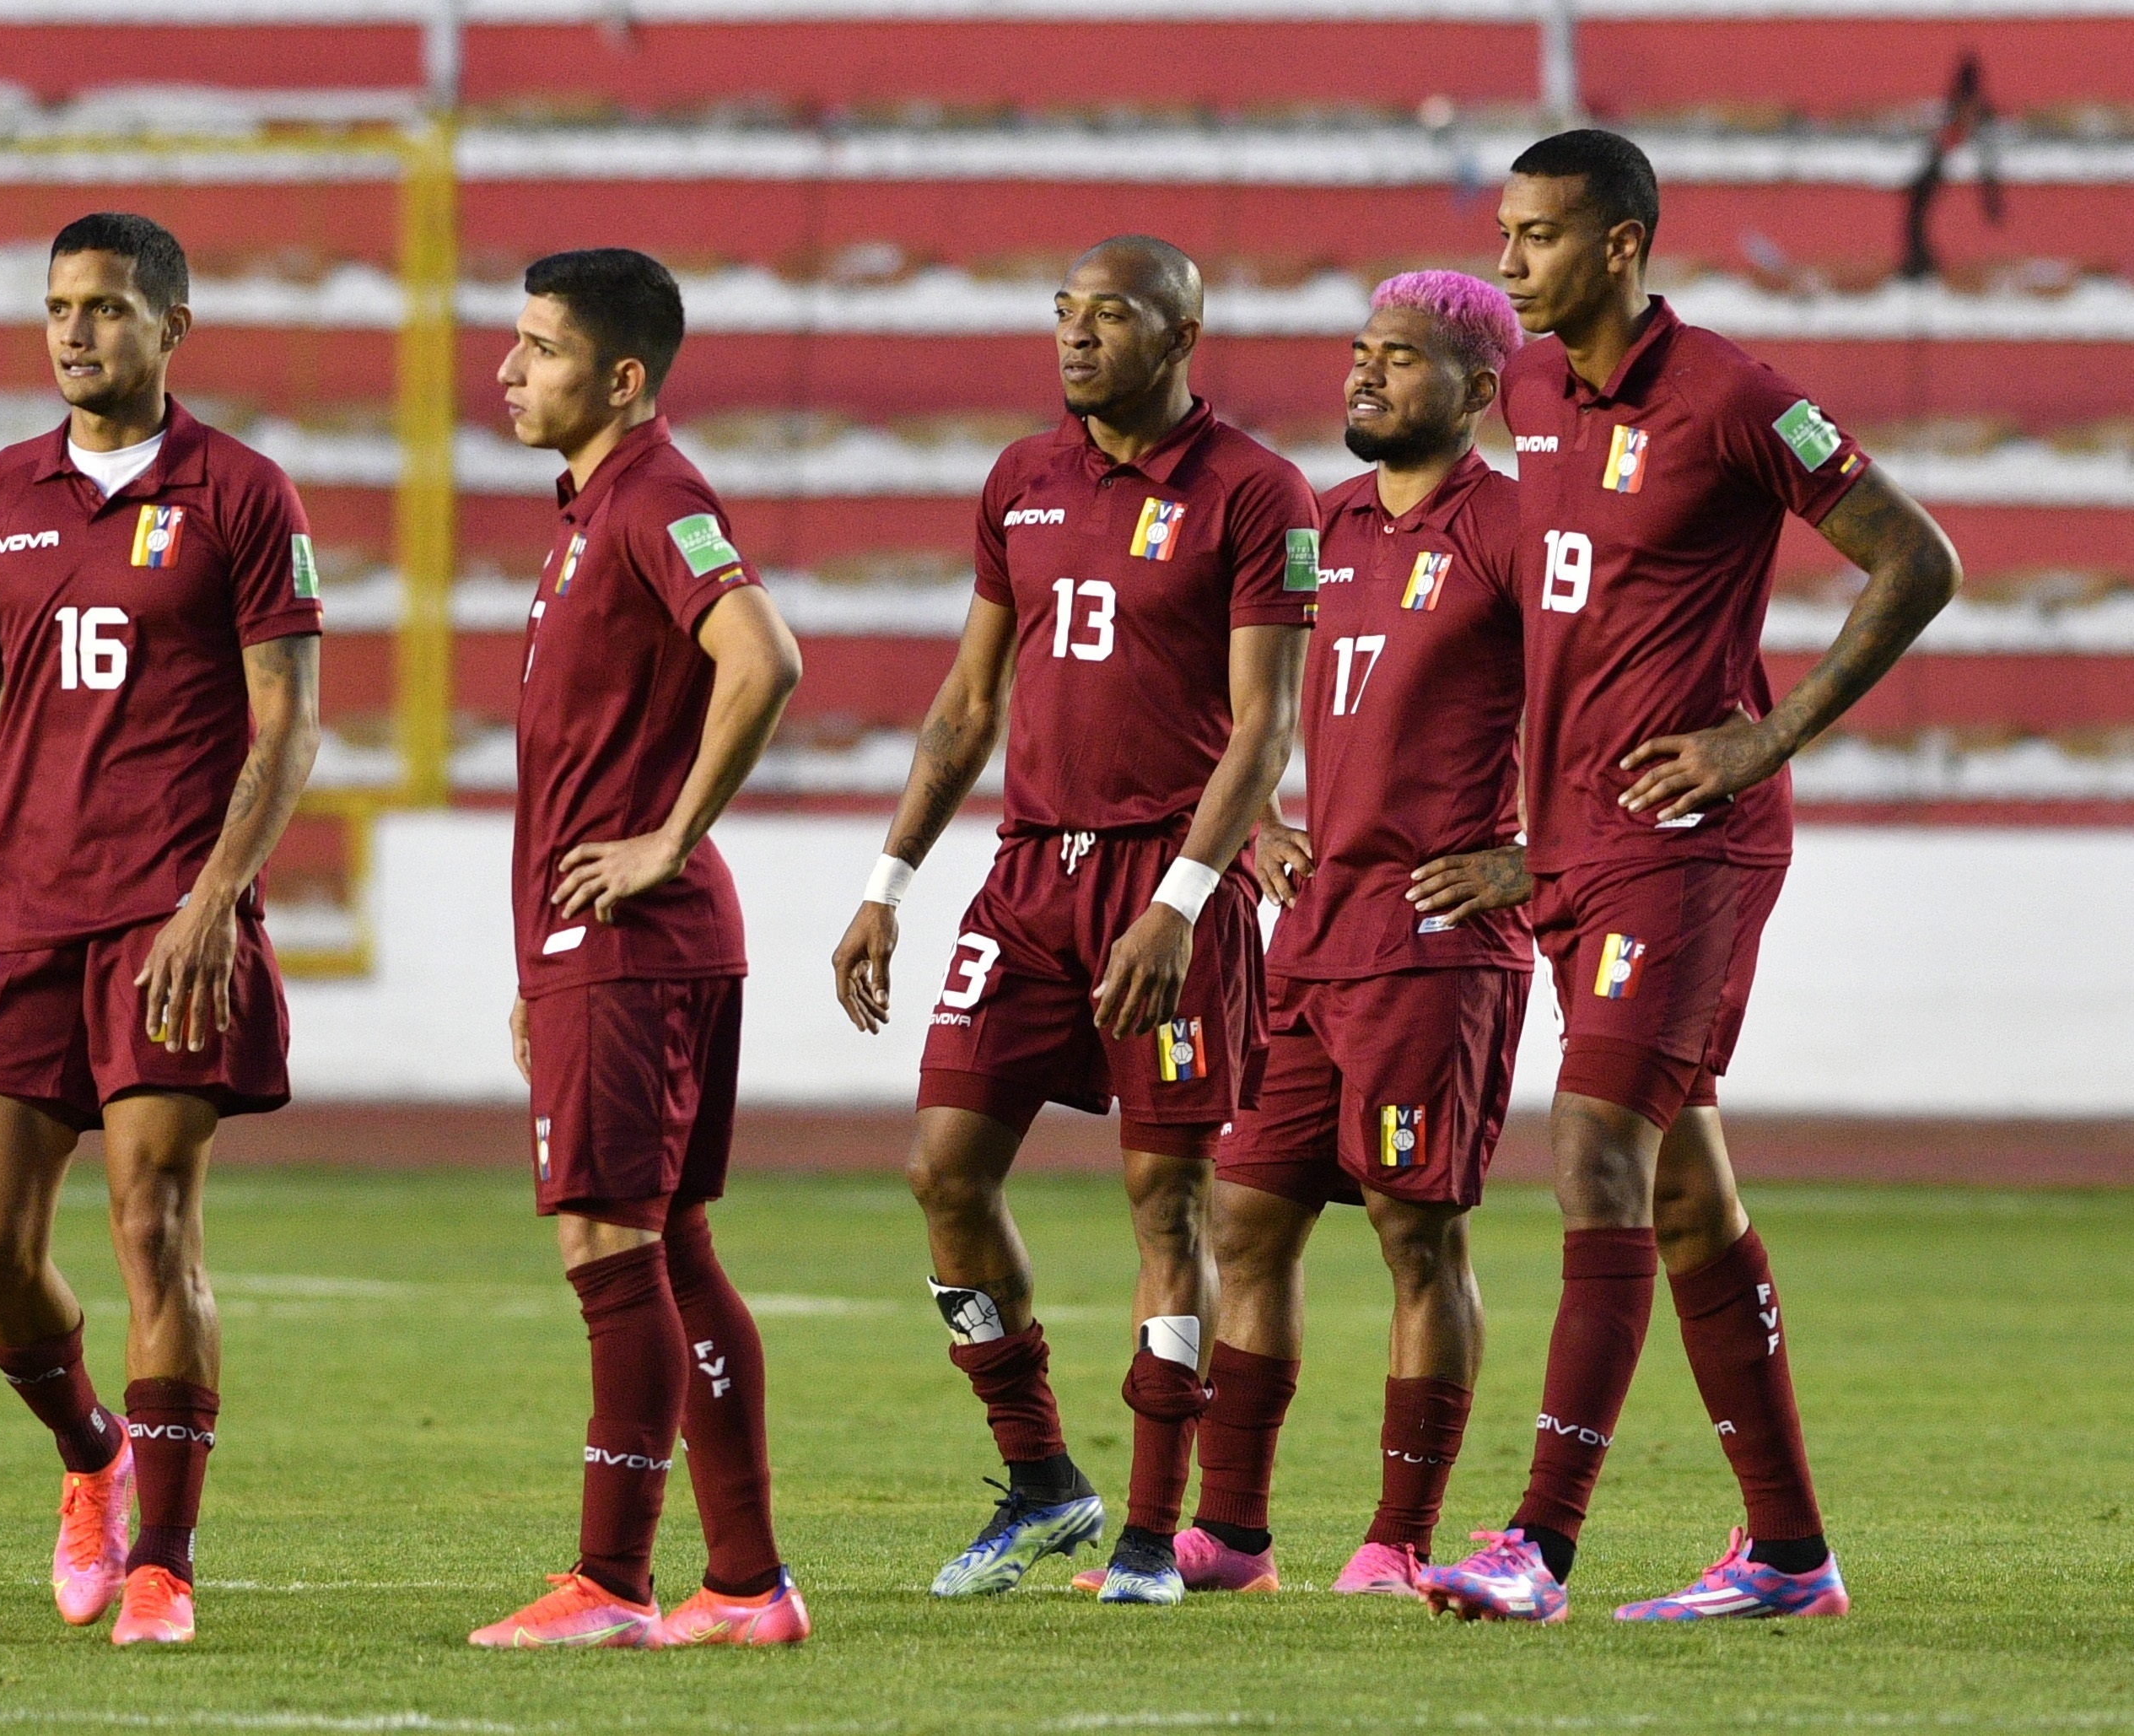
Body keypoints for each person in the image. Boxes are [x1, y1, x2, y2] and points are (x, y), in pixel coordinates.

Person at [1419, 130, 1960, 1623]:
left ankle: (1539, 1542)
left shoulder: (1733, 395)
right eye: (1508, 232)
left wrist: (1763, 737)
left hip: (1693, 841)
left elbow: (1917, 558)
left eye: (1537, 237)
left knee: (1593, 1140)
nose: (1510, 259)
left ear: (1620, 246)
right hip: (1576, 846)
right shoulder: (1525, 392)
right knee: (1685, 1192)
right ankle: (1787, 1551)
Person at [0, 212, 324, 1647]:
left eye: (109, 309)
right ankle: (94, 1458)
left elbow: (288, 725)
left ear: (172, 327)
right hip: (20, 904)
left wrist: (212, 899)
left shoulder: (244, 493)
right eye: (59, 306)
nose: (76, 333)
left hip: (165, 916)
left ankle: (166, 1565)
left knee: (151, 1222)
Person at [833, 235, 1316, 1606]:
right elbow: (968, 703)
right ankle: (1044, 1477)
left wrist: (1184, 899)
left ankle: (1154, 1537)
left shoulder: (1257, 491)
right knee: (943, 1168)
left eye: (1113, 314)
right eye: (1065, 311)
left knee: (1166, 1201)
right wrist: (889, 881)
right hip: (1029, 873)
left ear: (1182, 335)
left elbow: (1264, 727)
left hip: (1169, 881)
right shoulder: (1019, 478)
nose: (1079, 335)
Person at [1164, 272, 1534, 1601]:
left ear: (1480, 392)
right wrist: (1259, 817)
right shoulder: (1315, 530)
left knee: (1414, 1235)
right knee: (1248, 1223)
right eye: (1361, 354)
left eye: (1401, 360)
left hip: (1436, 946)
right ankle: (1236, 1534)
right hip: (1309, 940)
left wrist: (1535, 856)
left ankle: (1397, 1537)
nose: (1364, 378)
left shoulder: (1514, 531)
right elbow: (1234, 696)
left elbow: (1608, 703)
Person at [470, 248, 811, 1650]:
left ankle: (613, 1583)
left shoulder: (653, 498)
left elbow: (767, 656)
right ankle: (745, 1583)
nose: (507, 369)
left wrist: (666, 841)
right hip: (615, 948)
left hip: (636, 937)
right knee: (669, 1249)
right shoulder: (592, 510)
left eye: (538, 347)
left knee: (613, 1252)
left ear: (622, 377)